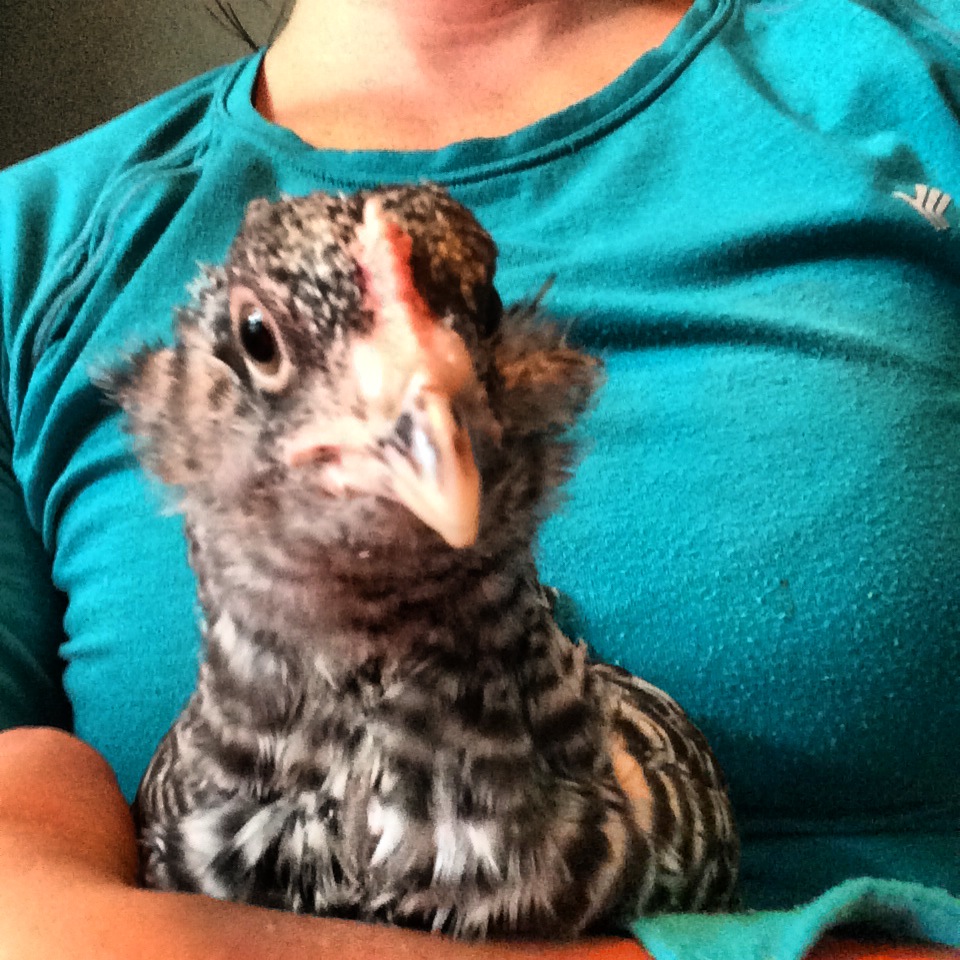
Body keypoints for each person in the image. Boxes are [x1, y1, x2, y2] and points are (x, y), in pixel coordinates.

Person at [0, 0, 957, 957]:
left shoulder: (917, 78)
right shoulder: (34, 249)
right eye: (264, 342)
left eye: (465, 335)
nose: (420, 404)